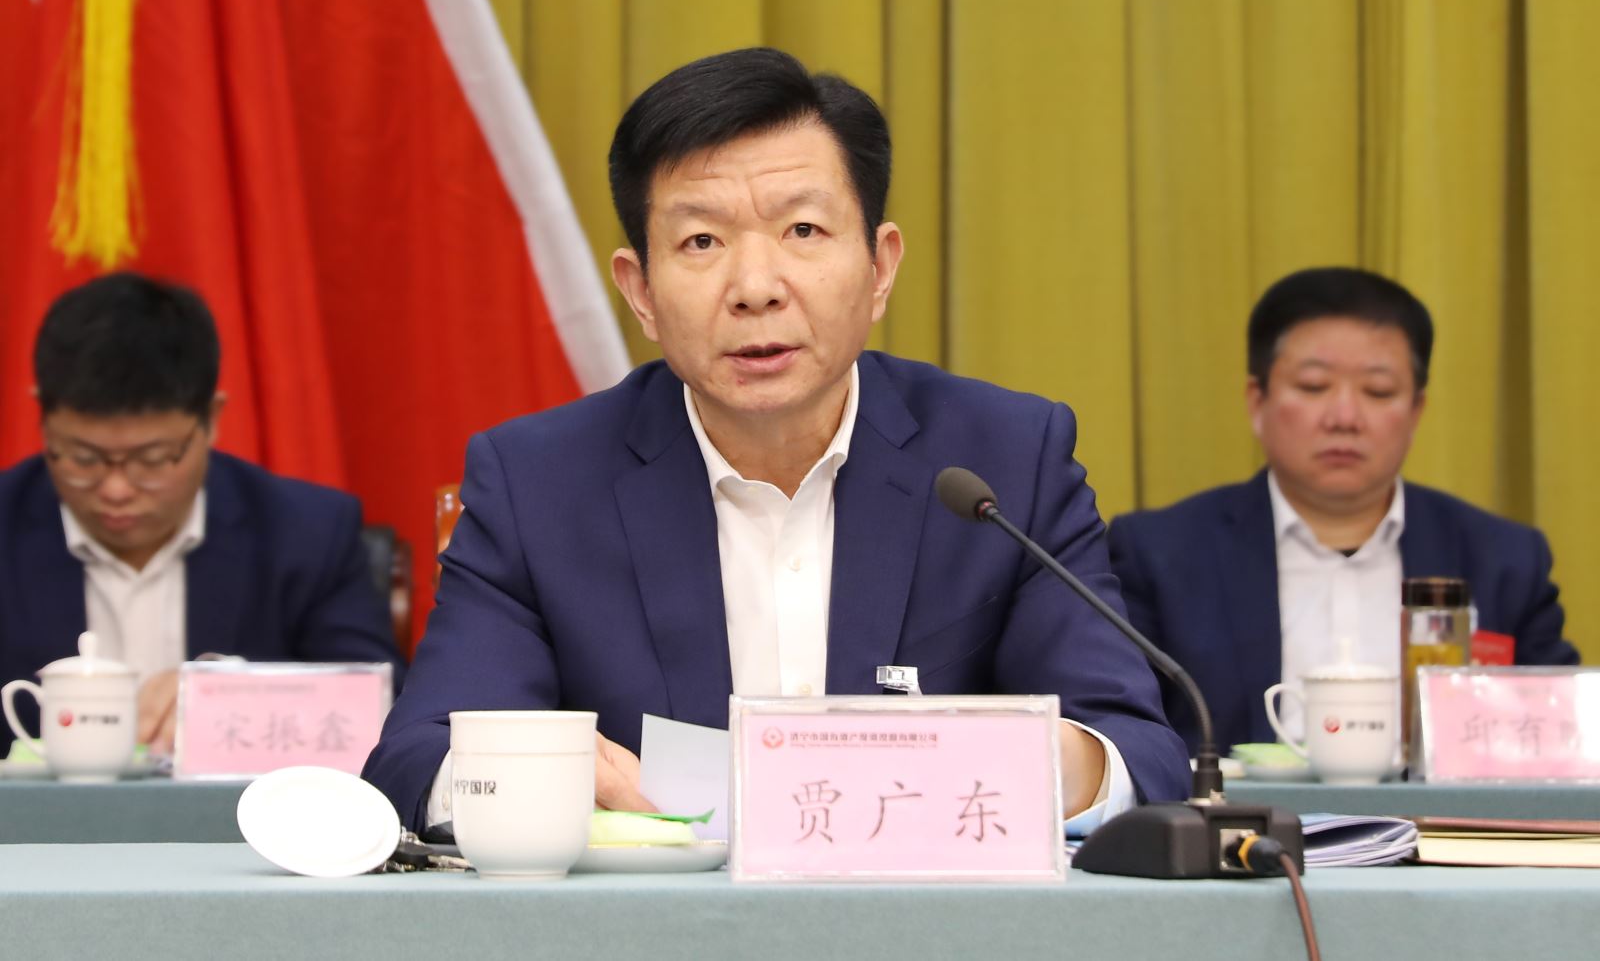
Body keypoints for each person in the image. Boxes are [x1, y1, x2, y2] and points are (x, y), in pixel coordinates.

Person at [362, 47, 1189, 834]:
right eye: (702, 241)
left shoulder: (1004, 462)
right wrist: (543, 771)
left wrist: (1009, 760)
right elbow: (414, 762)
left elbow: (1139, 753)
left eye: (803, 231)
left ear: (880, 267)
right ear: (640, 292)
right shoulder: (538, 483)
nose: (756, 287)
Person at [1109, 267, 1579, 754]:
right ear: (1257, 401)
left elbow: (1562, 739)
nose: (1344, 418)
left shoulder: (1503, 560)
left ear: (1416, 411)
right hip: (1237, 806)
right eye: (1314, 386)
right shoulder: (1161, 555)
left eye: (1378, 392)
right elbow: (1122, 730)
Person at [0, 273, 404, 749]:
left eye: (153, 459)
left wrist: (228, 694)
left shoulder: (308, 533)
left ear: (211, 419)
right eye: (82, 458)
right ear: (42, 418)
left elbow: (381, 709)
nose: (115, 489)